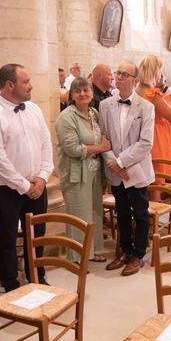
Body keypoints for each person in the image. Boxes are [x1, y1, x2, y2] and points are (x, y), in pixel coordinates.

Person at [0, 64, 53, 292]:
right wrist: (24, 185)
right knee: (7, 236)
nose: (31, 86)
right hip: (4, 188)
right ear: (10, 85)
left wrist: (42, 177)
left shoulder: (34, 109)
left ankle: (36, 276)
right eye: (26, 81)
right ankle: (11, 284)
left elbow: (46, 145)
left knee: (36, 235)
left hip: (36, 184)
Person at [99, 62, 155, 276]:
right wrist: (113, 162)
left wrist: (121, 162)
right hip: (115, 170)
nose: (119, 77)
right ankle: (125, 251)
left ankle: (139, 255)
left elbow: (146, 142)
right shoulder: (105, 105)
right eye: (118, 73)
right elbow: (103, 138)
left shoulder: (146, 107)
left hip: (136, 169)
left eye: (125, 74)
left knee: (140, 213)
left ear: (135, 80)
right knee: (121, 212)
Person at [55, 77, 111, 264]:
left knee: (94, 212)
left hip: (94, 171)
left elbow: (101, 136)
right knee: (79, 214)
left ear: (91, 92)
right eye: (77, 91)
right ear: (71, 95)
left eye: (86, 90)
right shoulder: (67, 117)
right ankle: (77, 256)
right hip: (76, 173)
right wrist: (100, 148)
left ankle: (92, 252)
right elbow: (72, 149)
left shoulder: (94, 114)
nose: (82, 94)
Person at [135, 55, 171, 201]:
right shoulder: (153, 94)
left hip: (143, 134)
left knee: (146, 179)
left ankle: (145, 217)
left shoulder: (139, 89)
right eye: (160, 70)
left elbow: (161, 104)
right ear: (154, 71)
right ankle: (152, 219)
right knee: (156, 180)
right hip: (156, 137)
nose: (161, 74)